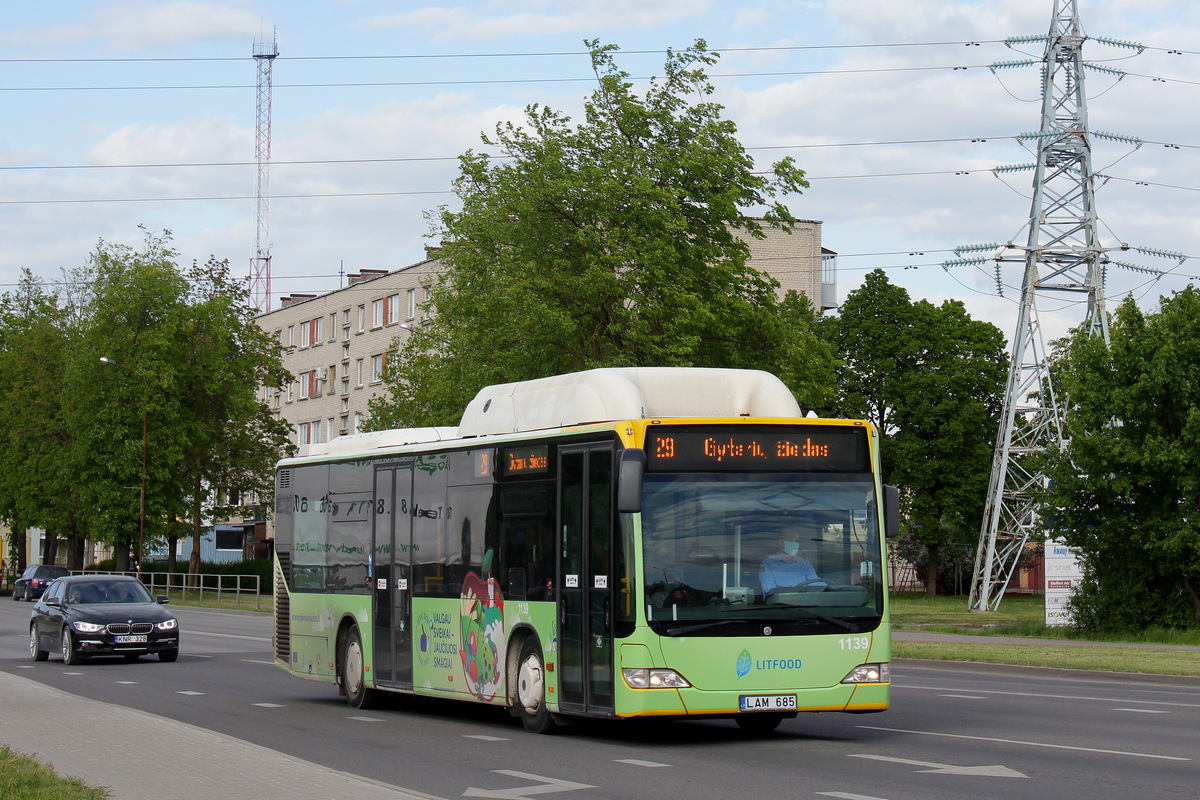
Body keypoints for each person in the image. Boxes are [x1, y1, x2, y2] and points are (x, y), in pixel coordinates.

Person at [759, 533, 825, 597]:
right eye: (790, 540)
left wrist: (828, 589)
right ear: (781, 543)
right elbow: (770, 590)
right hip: (777, 606)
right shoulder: (768, 563)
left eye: (796, 541)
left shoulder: (804, 564)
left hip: (804, 605)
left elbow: (815, 583)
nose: (794, 543)